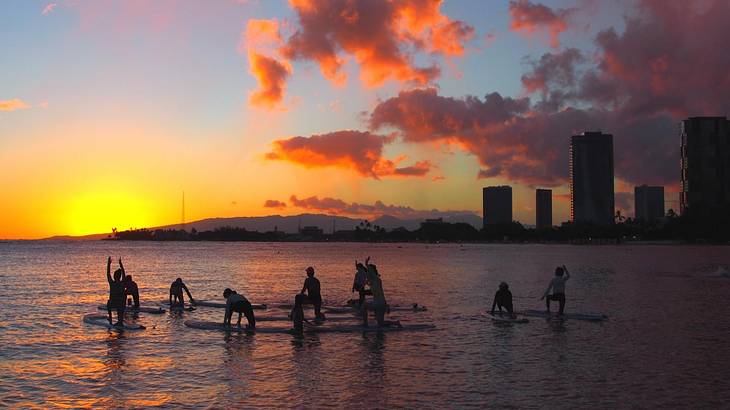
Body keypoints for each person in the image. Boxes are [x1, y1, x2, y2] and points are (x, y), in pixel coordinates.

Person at [363, 258, 400, 328]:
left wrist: (366, 264)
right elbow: (367, 280)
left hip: (379, 303)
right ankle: (396, 323)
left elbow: (371, 272)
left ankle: (365, 325)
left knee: (364, 306)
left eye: (369, 271)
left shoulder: (377, 279)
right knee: (381, 323)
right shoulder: (371, 282)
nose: (368, 272)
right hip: (381, 303)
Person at [106, 257, 126, 326]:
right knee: (121, 303)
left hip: (114, 303)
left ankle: (111, 319)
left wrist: (108, 264)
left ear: (114, 276)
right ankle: (120, 321)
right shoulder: (122, 283)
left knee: (108, 303)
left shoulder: (112, 283)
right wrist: (121, 264)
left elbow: (108, 274)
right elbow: (124, 274)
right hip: (121, 304)